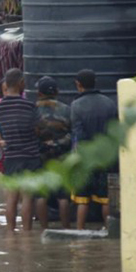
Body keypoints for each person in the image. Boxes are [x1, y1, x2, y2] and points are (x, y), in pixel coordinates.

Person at [0, 69, 42, 231]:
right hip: (30, 155)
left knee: (11, 197)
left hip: (10, 156)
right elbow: (38, 129)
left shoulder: (0, 108)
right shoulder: (29, 106)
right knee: (28, 197)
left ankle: (10, 232)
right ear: (21, 83)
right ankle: (27, 233)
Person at [70, 68, 119, 230]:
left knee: (83, 200)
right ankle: (108, 231)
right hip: (106, 157)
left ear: (78, 84)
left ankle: (79, 233)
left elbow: (78, 136)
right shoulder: (110, 103)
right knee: (105, 199)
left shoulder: (76, 106)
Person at [34, 76, 73, 228]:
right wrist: (58, 143)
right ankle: (66, 229)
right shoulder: (66, 109)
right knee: (63, 196)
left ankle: (44, 229)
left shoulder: (33, 110)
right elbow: (72, 134)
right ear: (57, 91)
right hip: (61, 157)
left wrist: (42, 145)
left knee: (41, 196)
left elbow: (30, 134)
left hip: (40, 157)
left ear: (39, 93)